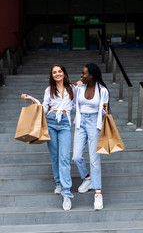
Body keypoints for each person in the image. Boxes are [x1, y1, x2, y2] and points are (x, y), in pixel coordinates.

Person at [21, 64, 75, 211]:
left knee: (64, 158)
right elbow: (44, 108)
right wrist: (32, 99)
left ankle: (66, 193)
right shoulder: (48, 90)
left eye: (59, 71)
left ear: (64, 73)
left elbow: (77, 105)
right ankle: (58, 182)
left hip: (64, 124)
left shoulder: (73, 88)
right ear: (52, 75)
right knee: (55, 156)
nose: (57, 74)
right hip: (50, 122)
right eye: (54, 72)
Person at [72, 63, 109, 210]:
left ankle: (98, 192)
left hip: (94, 123)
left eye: (84, 73)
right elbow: (75, 105)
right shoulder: (79, 88)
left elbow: (104, 111)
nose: (81, 76)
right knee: (76, 156)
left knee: (94, 159)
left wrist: (105, 110)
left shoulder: (103, 90)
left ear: (91, 75)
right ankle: (87, 178)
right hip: (81, 122)